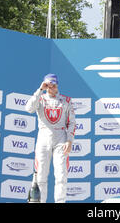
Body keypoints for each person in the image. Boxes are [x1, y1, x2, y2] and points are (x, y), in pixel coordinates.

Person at [25, 73, 76, 203]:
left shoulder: (66, 100)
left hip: (61, 139)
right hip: (43, 138)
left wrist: (69, 141)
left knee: (61, 176)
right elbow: (29, 108)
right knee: (41, 176)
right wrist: (40, 89)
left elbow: (71, 123)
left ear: (57, 85)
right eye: (48, 85)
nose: (51, 87)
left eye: (53, 85)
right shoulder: (40, 99)